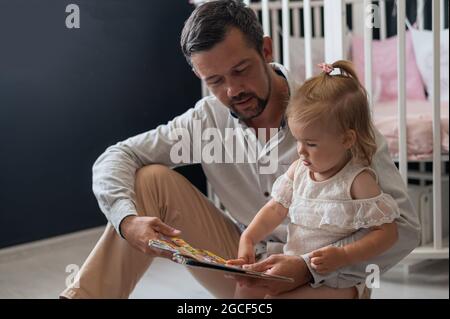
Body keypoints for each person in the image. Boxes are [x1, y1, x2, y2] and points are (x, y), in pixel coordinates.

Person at [60, 0, 420, 299]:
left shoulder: (333, 119)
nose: (232, 90)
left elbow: (403, 228)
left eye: (241, 70)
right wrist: (127, 222)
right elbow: (116, 156)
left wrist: (308, 267)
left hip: (329, 274)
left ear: (265, 49)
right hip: (246, 263)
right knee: (149, 179)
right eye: (214, 80)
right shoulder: (204, 120)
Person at [227, 61, 400, 299]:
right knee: (246, 288)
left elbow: (387, 232)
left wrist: (345, 255)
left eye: (311, 144)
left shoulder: (356, 180)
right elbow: (275, 208)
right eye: (298, 140)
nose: (300, 151)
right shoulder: (299, 170)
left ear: (347, 140)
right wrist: (248, 237)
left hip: (338, 279)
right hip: (295, 266)